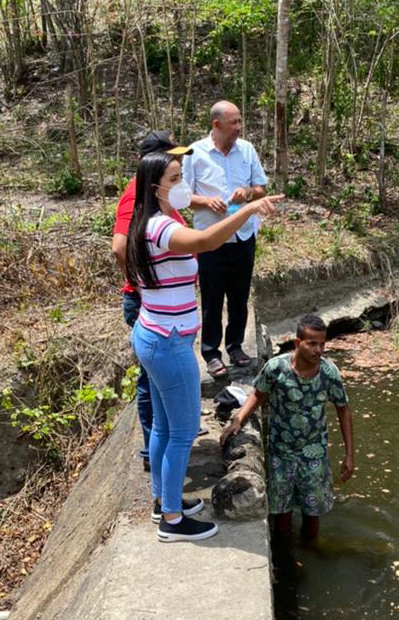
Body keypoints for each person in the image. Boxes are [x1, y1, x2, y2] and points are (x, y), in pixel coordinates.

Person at [126, 151, 283, 542]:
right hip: (169, 341)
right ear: (155, 187)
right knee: (181, 432)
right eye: (176, 179)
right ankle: (173, 521)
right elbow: (207, 240)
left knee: (163, 426)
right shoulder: (160, 227)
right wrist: (247, 211)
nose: (183, 186)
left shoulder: (146, 222)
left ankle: (163, 501)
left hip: (155, 332)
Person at [219, 314, 354, 543]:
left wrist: (349, 455)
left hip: (314, 453)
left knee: (313, 515)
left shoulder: (329, 372)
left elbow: (343, 409)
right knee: (281, 513)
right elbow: (258, 395)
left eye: (322, 344)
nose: (318, 350)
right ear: (297, 343)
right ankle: (285, 557)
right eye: (312, 343)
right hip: (281, 452)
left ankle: (310, 552)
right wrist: (238, 419)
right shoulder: (276, 368)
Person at [112, 130, 191, 472]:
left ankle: (159, 453)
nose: (179, 165)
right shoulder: (135, 197)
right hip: (149, 306)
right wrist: (147, 285)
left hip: (164, 308)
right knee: (150, 384)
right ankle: (152, 454)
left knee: (158, 388)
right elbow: (119, 247)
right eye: (173, 162)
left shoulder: (161, 197)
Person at [181, 100, 267, 378]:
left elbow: (261, 189)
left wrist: (247, 193)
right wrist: (206, 201)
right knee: (212, 298)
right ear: (216, 125)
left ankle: (235, 346)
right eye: (234, 123)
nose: (239, 128)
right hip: (210, 241)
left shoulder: (247, 150)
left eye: (240, 122)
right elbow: (182, 197)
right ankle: (210, 352)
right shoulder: (194, 153)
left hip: (243, 236)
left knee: (240, 296)